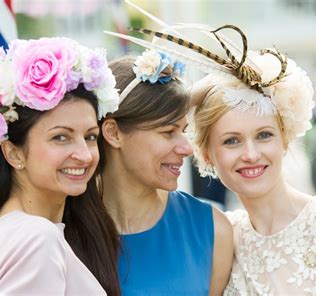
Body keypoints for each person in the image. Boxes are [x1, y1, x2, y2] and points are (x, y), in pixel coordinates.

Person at [151, 25, 316, 294]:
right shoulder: (221, 238)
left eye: (264, 135)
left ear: (285, 139)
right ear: (207, 153)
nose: (251, 154)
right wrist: (193, 95)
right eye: (231, 140)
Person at [0, 37, 121, 295]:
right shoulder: (36, 239)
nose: (85, 155)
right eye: (60, 137)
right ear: (13, 153)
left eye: (90, 136)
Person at [98, 49, 233, 295]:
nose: (186, 148)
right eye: (168, 132)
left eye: (183, 130)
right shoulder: (64, 229)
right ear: (114, 133)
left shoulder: (213, 231)